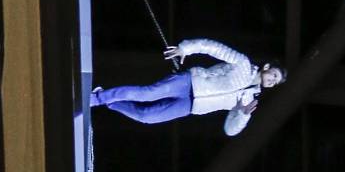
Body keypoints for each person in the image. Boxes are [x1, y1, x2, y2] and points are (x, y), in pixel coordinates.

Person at [91, 38, 287, 135]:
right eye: (274, 75)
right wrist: (186, 48)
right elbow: (213, 47)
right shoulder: (243, 64)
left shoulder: (248, 101)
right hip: (189, 83)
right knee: (145, 95)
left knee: (147, 117)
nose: (271, 81)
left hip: (192, 107)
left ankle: (107, 100)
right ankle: (97, 98)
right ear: (267, 68)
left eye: (275, 82)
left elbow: (230, 130)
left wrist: (243, 115)